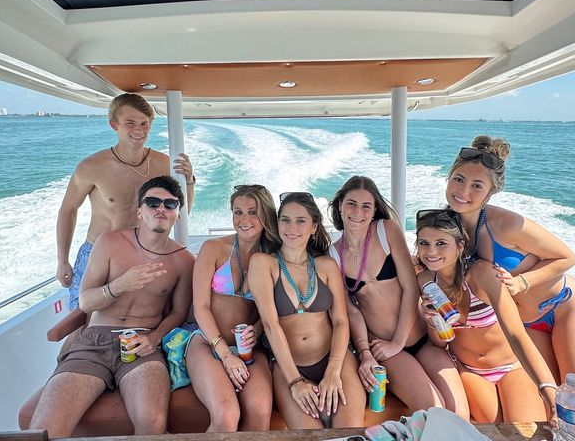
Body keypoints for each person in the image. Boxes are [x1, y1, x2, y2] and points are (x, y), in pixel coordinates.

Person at [445, 135, 575, 408]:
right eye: (458, 179)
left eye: (477, 185)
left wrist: (522, 282)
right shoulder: (448, 225)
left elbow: (566, 257)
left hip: (563, 308)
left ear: (490, 192)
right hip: (526, 323)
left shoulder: (507, 224)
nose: (464, 191)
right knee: (550, 407)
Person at [30, 176, 195, 437]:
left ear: (178, 214)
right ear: (139, 211)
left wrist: (154, 338)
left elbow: (178, 313)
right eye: (152, 202)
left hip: (143, 345)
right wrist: (119, 285)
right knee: (43, 430)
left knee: (152, 426)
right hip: (95, 340)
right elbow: (85, 301)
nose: (160, 209)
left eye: (170, 204)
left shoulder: (184, 260)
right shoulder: (109, 242)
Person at [327, 176, 468, 418]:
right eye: (351, 203)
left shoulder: (386, 230)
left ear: (374, 211)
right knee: (432, 407)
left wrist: (398, 342)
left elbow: (411, 288)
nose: (358, 212)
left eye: (366, 206)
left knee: (459, 414)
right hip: (384, 348)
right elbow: (352, 311)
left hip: (420, 339)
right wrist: (365, 353)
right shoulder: (333, 255)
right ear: (339, 205)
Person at [415, 209, 557, 423]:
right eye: (424, 243)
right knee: (495, 432)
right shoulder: (426, 279)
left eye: (441, 243)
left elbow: (517, 334)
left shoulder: (482, 274)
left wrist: (551, 396)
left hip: (511, 367)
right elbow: (439, 342)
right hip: (469, 370)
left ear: (460, 246)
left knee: (524, 430)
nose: (431, 251)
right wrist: (433, 321)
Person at [57, 93, 195, 311]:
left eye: (144, 123)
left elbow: (179, 212)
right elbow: (68, 210)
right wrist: (62, 260)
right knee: (81, 315)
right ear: (114, 125)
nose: (139, 130)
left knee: (139, 315)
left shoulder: (164, 163)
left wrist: (189, 181)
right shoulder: (92, 166)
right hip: (97, 253)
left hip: (144, 252)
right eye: (130, 123)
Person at [248, 192, 365, 429]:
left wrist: (333, 370)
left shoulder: (326, 265)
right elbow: (270, 325)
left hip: (335, 360)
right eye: (285, 220)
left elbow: (341, 321)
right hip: (289, 367)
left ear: (314, 226)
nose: (292, 227)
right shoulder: (263, 263)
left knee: (348, 432)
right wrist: (294, 381)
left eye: (301, 220)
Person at [185, 185, 279, 431]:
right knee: (226, 416)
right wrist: (226, 354)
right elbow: (200, 307)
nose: (244, 220)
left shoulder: (275, 257)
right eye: (238, 212)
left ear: (266, 215)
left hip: (250, 347)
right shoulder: (213, 249)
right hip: (207, 342)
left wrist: (256, 331)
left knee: (259, 413)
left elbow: (275, 309)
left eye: (252, 212)